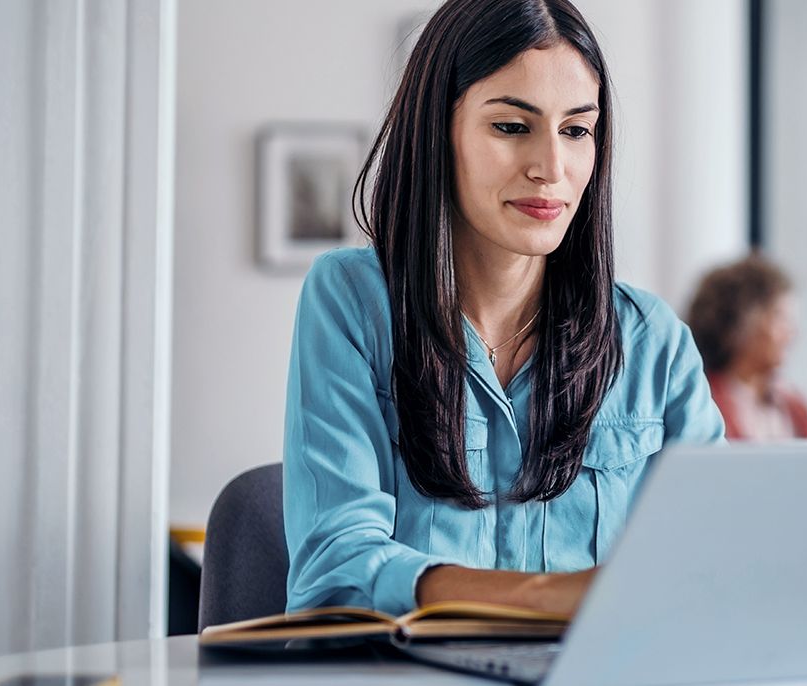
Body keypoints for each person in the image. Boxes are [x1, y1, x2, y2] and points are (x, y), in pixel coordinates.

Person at [281, 0, 725, 620]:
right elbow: (334, 566)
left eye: (576, 130)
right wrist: (546, 599)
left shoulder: (653, 342)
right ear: (441, 131)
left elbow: (717, 566)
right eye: (512, 127)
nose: (551, 168)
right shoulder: (353, 302)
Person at [687, 255, 807, 441]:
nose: (792, 334)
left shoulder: (797, 410)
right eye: (780, 318)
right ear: (739, 325)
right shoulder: (702, 405)